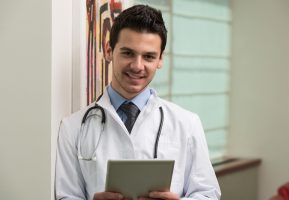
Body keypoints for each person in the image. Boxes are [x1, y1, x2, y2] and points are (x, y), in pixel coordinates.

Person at [55, 4, 221, 200]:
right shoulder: (73, 128)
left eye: (149, 56)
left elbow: (208, 194)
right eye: (128, 53)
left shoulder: (187, 123)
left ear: (160, 60)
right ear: (109, 51)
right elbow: (66, 196)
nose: (137, 66)